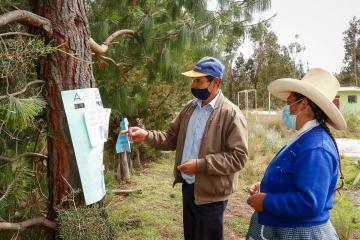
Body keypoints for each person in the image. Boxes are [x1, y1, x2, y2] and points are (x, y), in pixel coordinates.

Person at [122, 56, 248, 240]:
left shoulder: (231, 114)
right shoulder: (190, 109)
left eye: (199, 80)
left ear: (216, 82)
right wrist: (146, 135)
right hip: (188, 188)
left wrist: (200, 165)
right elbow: (170, 138)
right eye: (193, 80)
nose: (194, 85)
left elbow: (239, 157)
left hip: (212, 195)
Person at [246, 68, 346, 240]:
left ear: (303, 104)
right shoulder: (305, 138)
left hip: (299, 233)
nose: (286, 108)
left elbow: (309, 202)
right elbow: (296, 177)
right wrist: (267, 187)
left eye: (289, 102)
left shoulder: (316, 147)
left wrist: (266, 201)